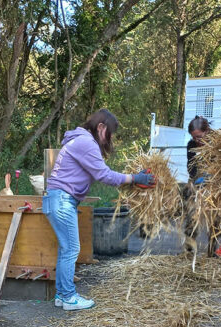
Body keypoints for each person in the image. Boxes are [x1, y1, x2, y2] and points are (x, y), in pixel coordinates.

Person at [44, 109, 155, 310]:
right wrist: (134, 179)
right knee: (71, 250)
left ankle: (61, 295)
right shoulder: (86, 142)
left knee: (66, 250)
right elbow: (105, 175)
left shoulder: (77, 140)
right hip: (62, 200)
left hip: (56, 199)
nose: (108, 140)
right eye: (109, 134)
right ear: (101, 127)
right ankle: (69, 297)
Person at [183, 116, 220, 255]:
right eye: (194, 137)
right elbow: (191, 166)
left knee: (215, 218)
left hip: (215, 184)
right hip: (196, 183)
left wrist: (209, 178)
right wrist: (196, 179)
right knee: (192, 215)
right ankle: (189, 248)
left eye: (199, 137)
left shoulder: (217, 142)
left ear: (207, 131)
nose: (197, 140)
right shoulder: (191, 145)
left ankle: (212, 250)